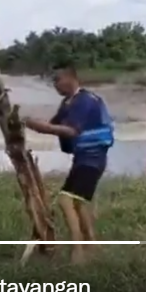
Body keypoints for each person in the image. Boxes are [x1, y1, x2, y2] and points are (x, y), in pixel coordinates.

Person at [23, 63, 114, 264]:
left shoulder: (85, 101)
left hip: (93, 158)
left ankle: (78, 250)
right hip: (83, 158)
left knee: (65, 200)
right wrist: (30, 123)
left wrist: (41, 127)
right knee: (79, 203)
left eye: (57, 79)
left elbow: (71, 131)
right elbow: (53, 124)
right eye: (52, 81)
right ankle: (92, 245)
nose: (54, 84)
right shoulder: (68, 103)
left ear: (70, 78)